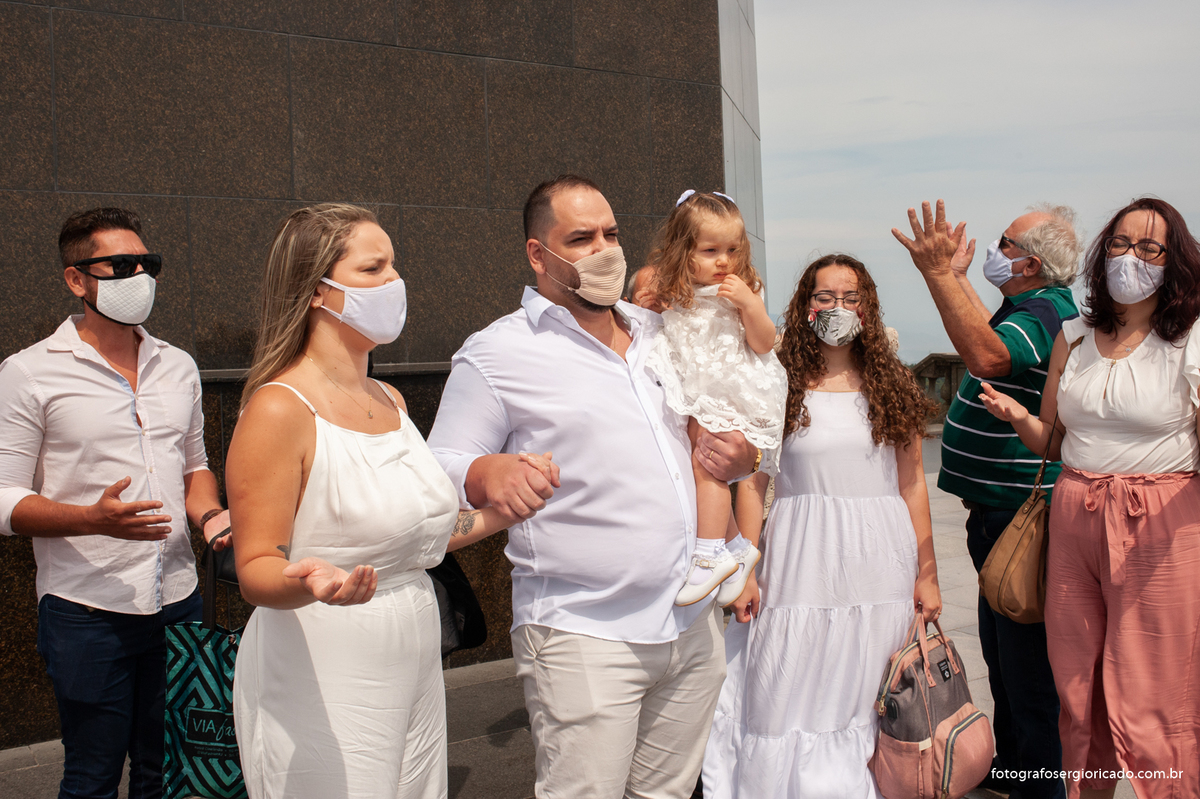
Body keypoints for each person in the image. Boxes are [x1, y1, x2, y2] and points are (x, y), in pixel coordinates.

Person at [427, 175, 763, 799]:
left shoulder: (664, 332)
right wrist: (485, 473)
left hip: (690, 628)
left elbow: (724, 425)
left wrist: (743, 457)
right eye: (581, 239)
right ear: (538, 254)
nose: (605, 249)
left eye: (611, 233)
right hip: (582, 632)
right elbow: (438, 464)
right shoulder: (498, 352)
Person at [225, 203, 538, 799]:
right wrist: (311, 583)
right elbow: (256, 568)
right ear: (318, 291)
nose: (395, 281)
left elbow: (418, 535)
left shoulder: (388, 397)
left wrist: (509, 508)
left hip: (413, 640)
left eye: (393, 265)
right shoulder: (278, 409)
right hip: (322, 654)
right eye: (374, 268)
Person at [0, 207, 229, 799]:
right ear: (77, 279)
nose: (139, 278)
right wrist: (90, 519)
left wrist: (211, 516)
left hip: (177, 599)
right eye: (121, 266)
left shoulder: (177, 365)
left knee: (166, 769)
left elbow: (195, 466)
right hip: (85, 609)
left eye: (147, 265)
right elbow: (4, 498)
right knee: (92, 774)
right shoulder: (28, 374)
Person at [980, 197, 1200, 799]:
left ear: (1173, 261)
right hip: (1074, 516)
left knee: (1155, 697)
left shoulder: (1190, 339)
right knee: (1078, 693)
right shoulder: (1073, 337)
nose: (1131, 258)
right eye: (1121, 244)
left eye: (1150, 248)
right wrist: (1018, 415)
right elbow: (1053, 440)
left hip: (1162, 524)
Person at [701, 254, 941, 798]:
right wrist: (746, 570)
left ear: (869, 307)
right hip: (801, 555)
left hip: (880, 561)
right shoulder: (778, 381)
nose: (838, 308)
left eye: (851, 297)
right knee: (788, 680)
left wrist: (927, 575)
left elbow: (912, 485)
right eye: (824, 297)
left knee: (866, 686)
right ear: (805, 306)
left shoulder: (893, 382)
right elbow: (755, 483)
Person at [893, 199, 1079, 799]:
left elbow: (986, 356)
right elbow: (986, 333)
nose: (994, 248)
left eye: (1005, 242)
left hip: (1018, 517)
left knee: (1027, 666)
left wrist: (939, 274)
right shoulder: (1024, 306)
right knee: (1002, 652)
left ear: (1031, 264)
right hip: (994, 514)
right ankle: (1018, 763)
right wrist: (960, 280)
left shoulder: (1048, 312)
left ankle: (1041, 782)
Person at [643, 189, 786, 607]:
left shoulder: (740, 289)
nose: (724, 260)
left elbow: (765, 344)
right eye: (710, 250)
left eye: (732, 249)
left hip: (731, 389)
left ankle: (708, 554)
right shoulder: (681, 290)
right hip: (700, 387)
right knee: (697, 462)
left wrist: (750, 305)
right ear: (683, 252)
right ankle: (737, 547)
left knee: (709, 468)